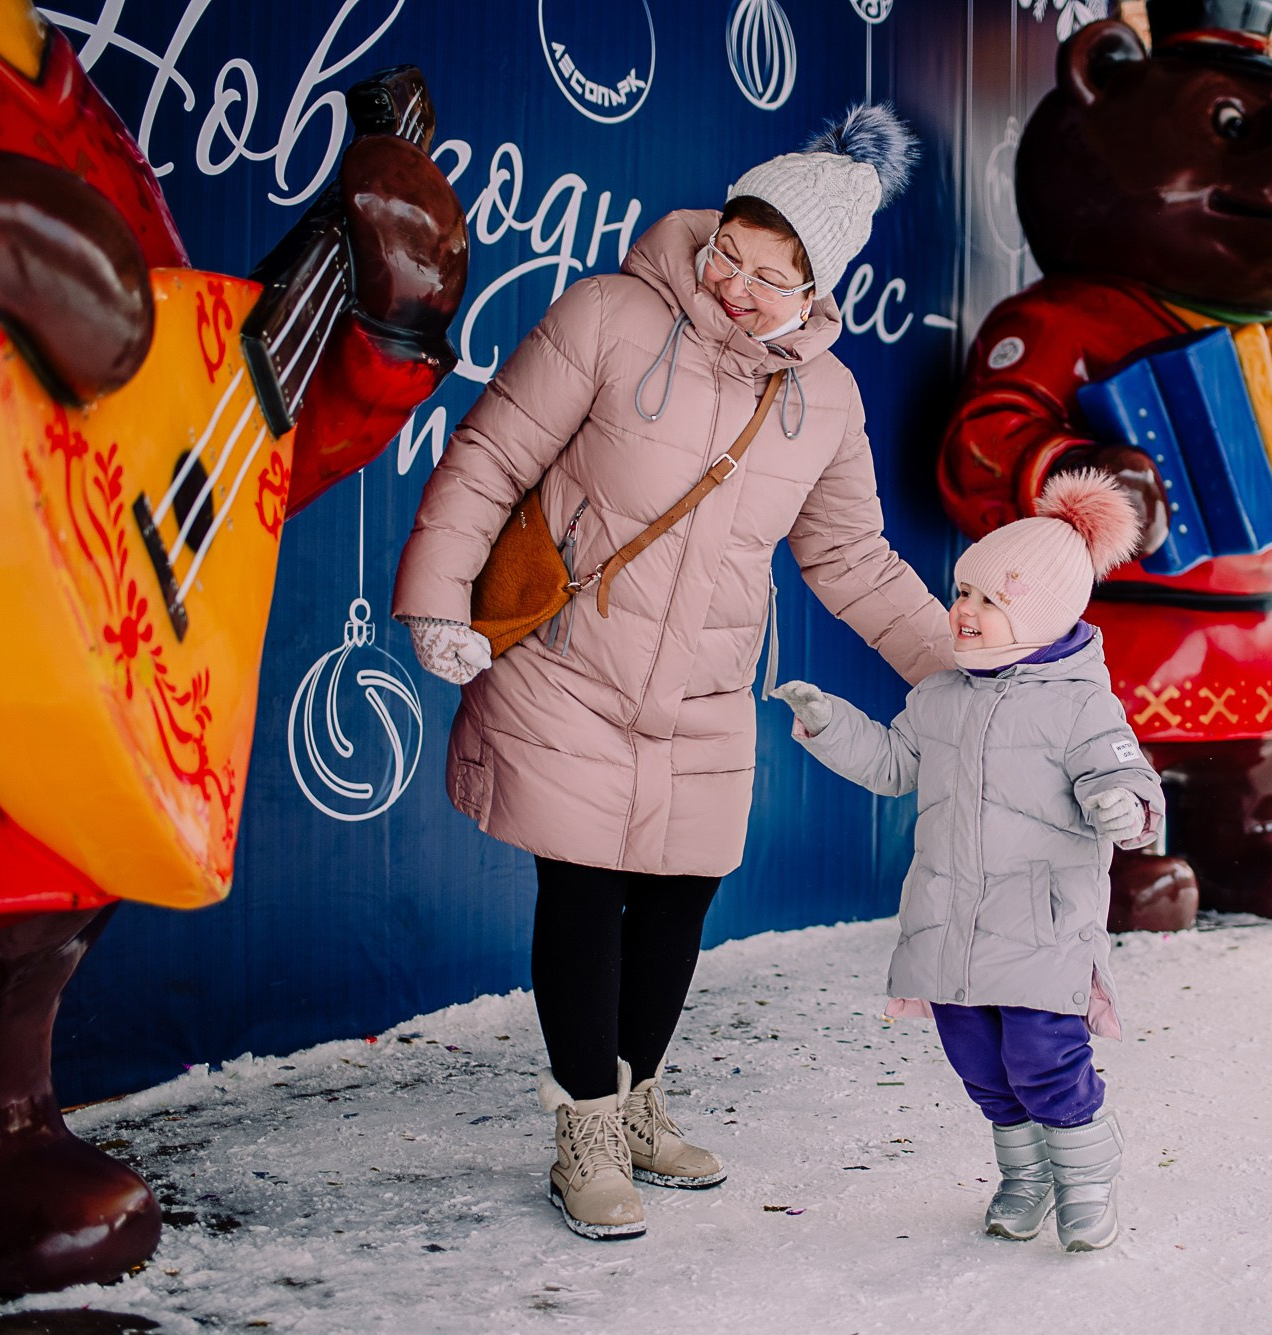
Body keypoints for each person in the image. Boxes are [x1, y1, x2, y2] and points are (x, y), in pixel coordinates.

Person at [391, 106, 953, 1241]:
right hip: (568, 664)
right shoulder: (609, 315)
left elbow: (848, 558)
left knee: (680, 902)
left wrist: (962, 671)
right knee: (586, 890)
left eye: (772, 278)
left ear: (817, 292)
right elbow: (492, 453)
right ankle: (585, 1128)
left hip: (701, 692)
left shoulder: (822, 402)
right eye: (730, 257)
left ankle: (637, 1095)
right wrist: (434, 602)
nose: (738, 288)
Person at [771, 471, 1163, 1252]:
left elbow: (1126, 774)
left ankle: (1084, 1177)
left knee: (1044, 1059)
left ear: (1042, 613)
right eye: (962, 592)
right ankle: (1026, 1175)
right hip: (952, 921)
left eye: (990, 599)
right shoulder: (943, 696)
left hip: (1041, 925)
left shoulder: (1083, 703)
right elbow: (892, 763)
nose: (964, 611)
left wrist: (1127, 805)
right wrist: (830, 723)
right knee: (980, 1062)